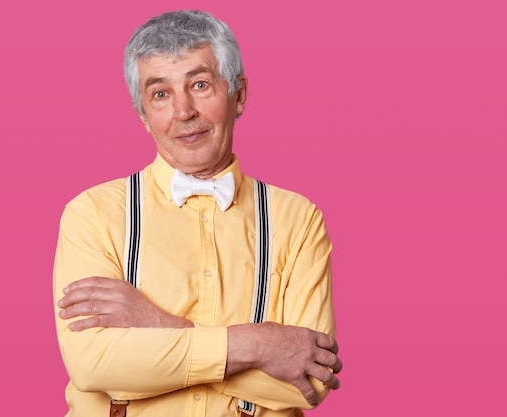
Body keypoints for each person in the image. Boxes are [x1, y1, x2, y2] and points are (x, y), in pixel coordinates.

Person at [54, 10, 342, 417]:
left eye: (200, 85)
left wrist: (158, 327)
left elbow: (307, 382)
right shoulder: (92, 214)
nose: (183, 111)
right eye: (160, 94)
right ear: (143, 115)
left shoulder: (298, 220)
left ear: (238, 94)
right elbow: (94, 363)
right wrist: (257, 346)